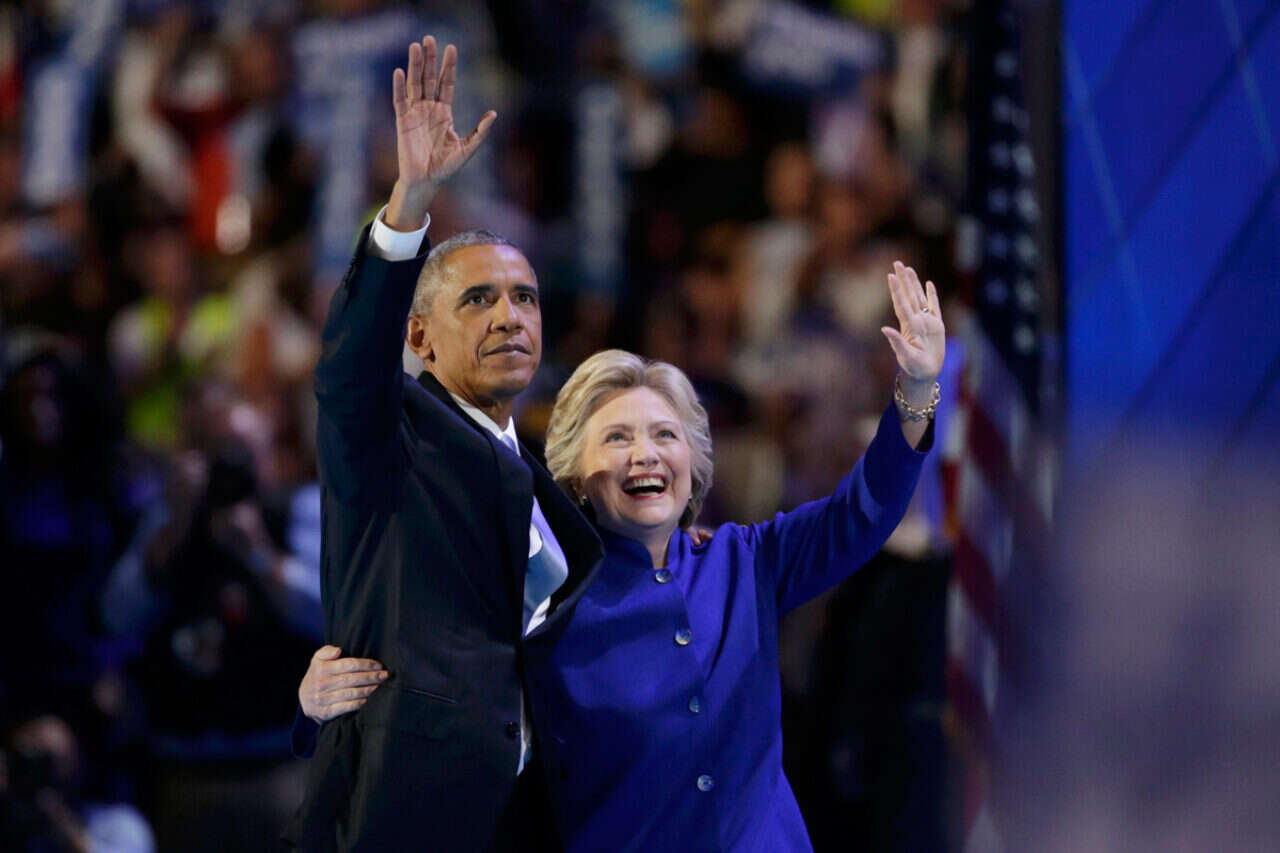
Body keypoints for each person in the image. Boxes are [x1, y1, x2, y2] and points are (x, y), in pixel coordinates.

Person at [298, 262, 946, 850]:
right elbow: (437, 694)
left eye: (665, 435)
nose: (646, 455)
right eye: (617, 438)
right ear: (575, 476)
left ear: (693, 464)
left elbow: (862, 513)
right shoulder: (546, 596)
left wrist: (916, 388)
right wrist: (315, 704)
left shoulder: (745, 561)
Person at [285, 36, 604, 851]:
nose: (510, 316)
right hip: (406, 823)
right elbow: (350, 370)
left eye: (525, 297)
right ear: (419, 337)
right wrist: (410, 206)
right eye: (479, 299)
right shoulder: (389, 440)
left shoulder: (547, 486)